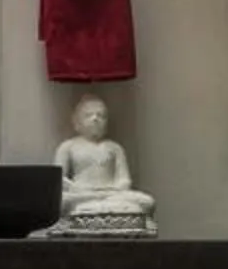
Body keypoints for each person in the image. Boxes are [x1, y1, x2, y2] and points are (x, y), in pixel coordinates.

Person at [53, 94, 156, 233]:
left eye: (100, 116)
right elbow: (58, 178)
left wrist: (115, 189)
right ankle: (104, 216)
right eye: (88, 115)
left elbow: (124, 179)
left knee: (146, 201)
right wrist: (78, 189)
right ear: (76, 121)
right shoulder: (68, 146)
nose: (95, 119)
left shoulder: (114, 148)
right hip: (81, 194)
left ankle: (92, 215)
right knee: (60, 202)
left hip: (110, 193)